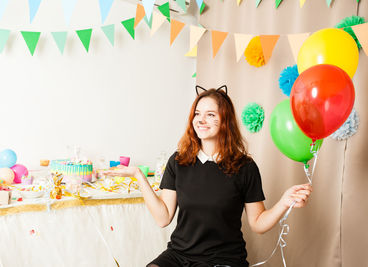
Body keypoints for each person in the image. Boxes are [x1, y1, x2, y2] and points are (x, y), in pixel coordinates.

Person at [102, 85, 312, 267]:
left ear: (225, 121)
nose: (201, 120)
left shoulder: (245, 167)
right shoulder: (178, 161)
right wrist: (138, 175)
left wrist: (284, 202)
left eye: (210, 114)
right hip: (180, 255)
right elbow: (163, 217)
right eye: (197, 114)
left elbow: (257, 223)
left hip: (223, 258)